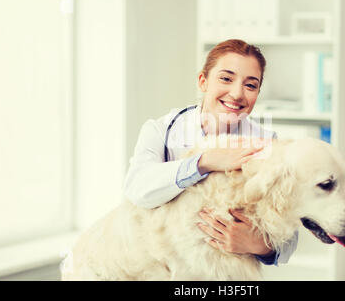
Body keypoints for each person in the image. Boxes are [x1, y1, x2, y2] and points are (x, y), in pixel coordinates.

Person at [124, 39, 298, 266]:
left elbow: (288, 233)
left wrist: (256, 244)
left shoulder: (267, 143)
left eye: (251, 85)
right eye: (226, 78)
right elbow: (137, 189)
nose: (237, 93)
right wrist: (204, 163)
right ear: (203, 81)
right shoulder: (160, 130)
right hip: (163, 266)